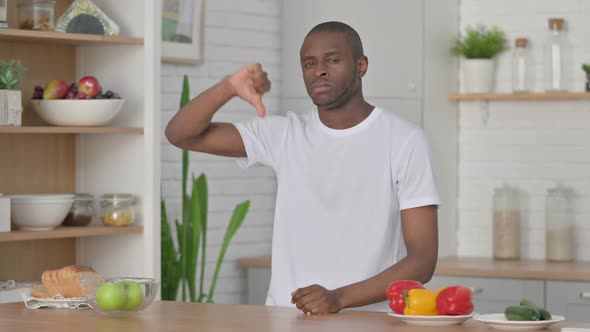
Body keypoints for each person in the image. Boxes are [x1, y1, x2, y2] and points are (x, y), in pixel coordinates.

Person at [165, 21, 439, 315]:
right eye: (309, 63)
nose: (319, 70)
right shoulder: (284, 134)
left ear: (361, 65)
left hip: (366, 322)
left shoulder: (405, 140)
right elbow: (181, 134)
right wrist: (229, 87)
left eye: (332, 60)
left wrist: (338, 298)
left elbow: (422, 261)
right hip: (285, 319)